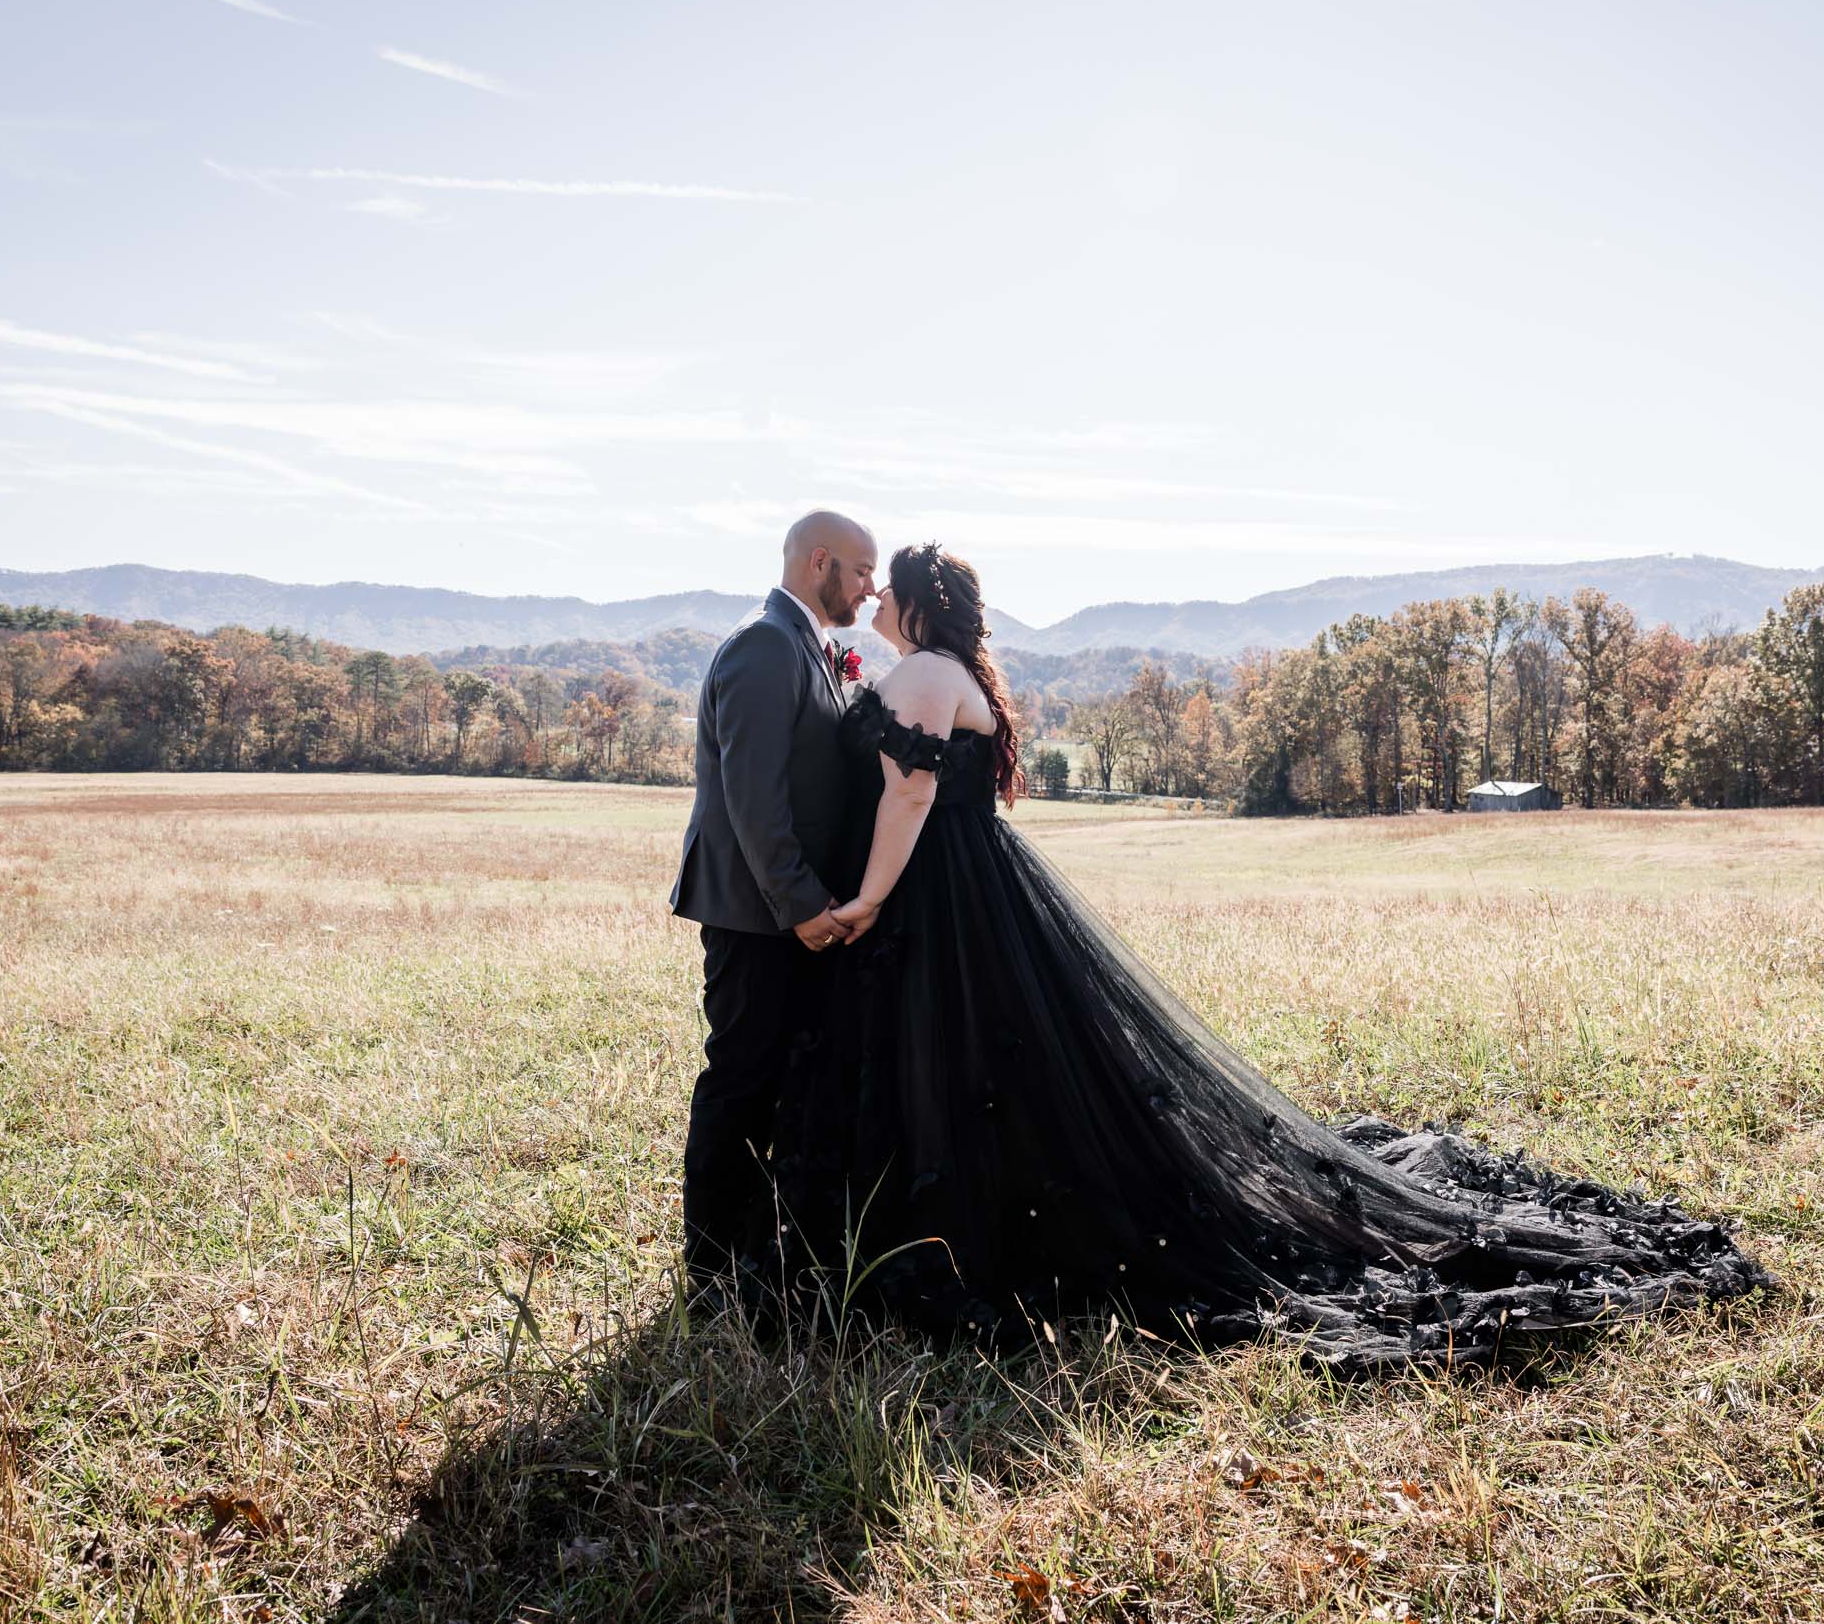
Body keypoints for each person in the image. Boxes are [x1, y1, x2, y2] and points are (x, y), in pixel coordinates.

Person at [754, 542, 1768, 1371]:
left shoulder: (927, 672)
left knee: (970, 1059)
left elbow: (911, 794)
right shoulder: (923, 669)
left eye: (890, 579)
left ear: (922, 601)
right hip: (943, 893)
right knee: (974, 1066)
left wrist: (871, 896)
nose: (874, 592)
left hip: (941, 896)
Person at [669, 510, 878, 1298]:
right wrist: (801, 905)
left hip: (788, 912)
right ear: (817, 561)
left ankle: (759, 1252)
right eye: (860, 569)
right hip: (756, 913)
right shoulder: (764, 644)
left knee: (776, 1080)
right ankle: (712, 1269)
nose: (868, 585)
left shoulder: (810, 646)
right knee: (741, 1078)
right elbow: (752, 796)